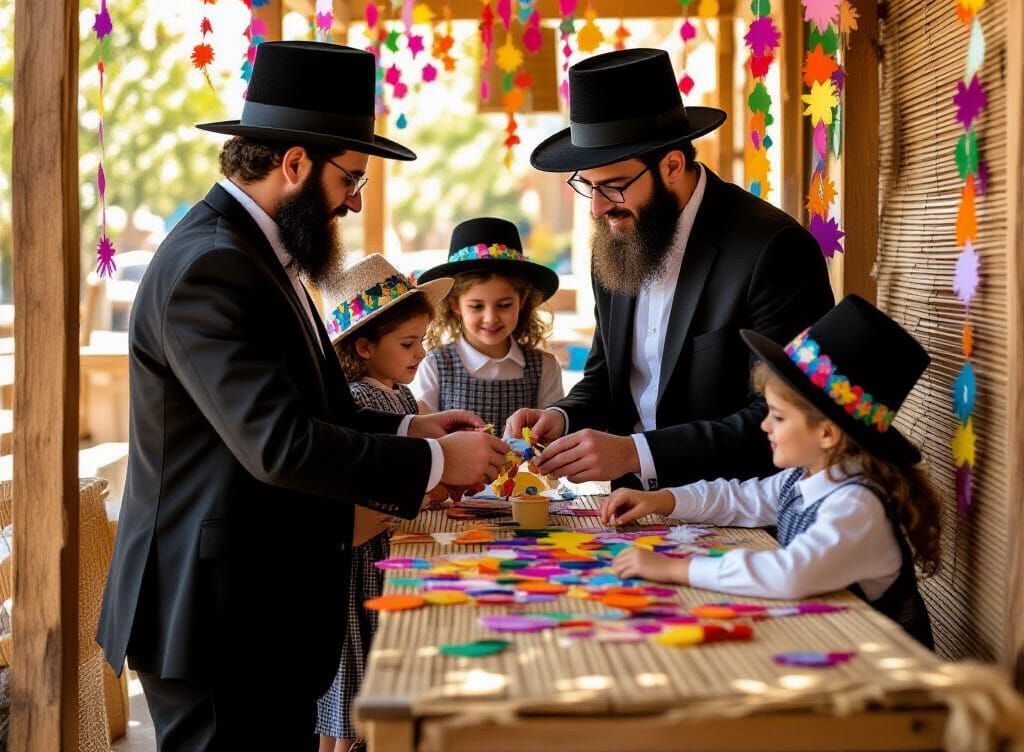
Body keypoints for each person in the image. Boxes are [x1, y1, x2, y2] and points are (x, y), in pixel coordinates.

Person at [97, 42, 509, 751]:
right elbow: (279, 442)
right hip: (218, 614)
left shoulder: (252, 252)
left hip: (253, 607)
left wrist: (412, 430)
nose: (353, 201)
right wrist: (437, 464)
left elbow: (304, 404)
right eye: (349, 178)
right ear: (293, 164)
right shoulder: (213, 266)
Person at [507, 47, 835, 491]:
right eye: (589, 188)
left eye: (613, 187)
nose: (598, 208)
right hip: (628, 505)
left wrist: (636, 452)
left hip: (740, 509)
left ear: (672, 166)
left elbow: (788, 414)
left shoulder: (773, 249)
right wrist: (563, 416)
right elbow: (606, 378)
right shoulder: (618, 236)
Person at [602, 295, 940, 648]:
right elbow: (739, 497)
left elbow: (790, 573)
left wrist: (675, 569)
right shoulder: (808, 478)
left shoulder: (855, 506)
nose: (764, 425)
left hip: (884, 677)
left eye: (778, 416)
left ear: (827, 433)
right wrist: (662, 499)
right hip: (831, 648)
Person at [317, 254, 453, 752]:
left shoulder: (401, 398)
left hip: (386, 551)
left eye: (423, 339)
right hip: (363, 561)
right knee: (354, 681)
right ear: (364, 345)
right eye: (408, 343)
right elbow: (374, 484)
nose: (421, 352)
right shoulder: (362, 401)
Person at [412, 217, 564, 434]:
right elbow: (424, 437)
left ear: (521, 301)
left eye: (504, 305)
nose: (491, 318)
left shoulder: (545, 367)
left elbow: (552, 436)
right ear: (455, 304)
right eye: (476, 306)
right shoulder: (435, 366)